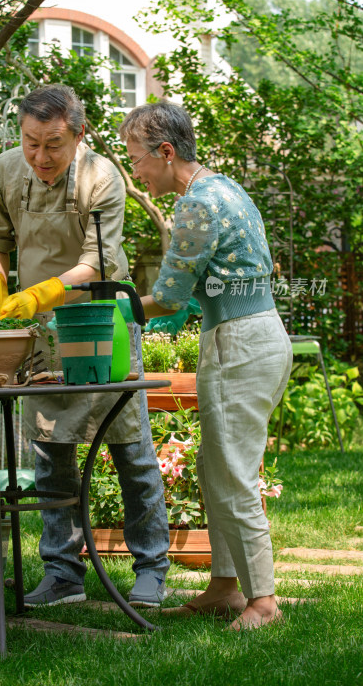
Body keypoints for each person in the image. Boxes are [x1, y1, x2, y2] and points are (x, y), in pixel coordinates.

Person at [0, 84, 170, 608]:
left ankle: (151, 568)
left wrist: (41, 292)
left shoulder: (102, 177)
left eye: (53, 144)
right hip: (39, 330)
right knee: (49, 452)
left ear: (79, 135)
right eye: (31, 142)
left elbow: (98, 262)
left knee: (129, 447)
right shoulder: (6, 169)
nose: (40, 156)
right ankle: (62, 573)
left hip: (99, 320)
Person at [119, 101, 293, 630]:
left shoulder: (196, 205)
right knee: (215, 467)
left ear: (165, 152)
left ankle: (263, 601)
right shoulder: (225, 187)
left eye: (137, 159)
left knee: (234, 473)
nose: (136, 172)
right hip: (255, 338)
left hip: (241, 344)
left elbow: (170, 297)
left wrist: (109, 306)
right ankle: (224, 588)